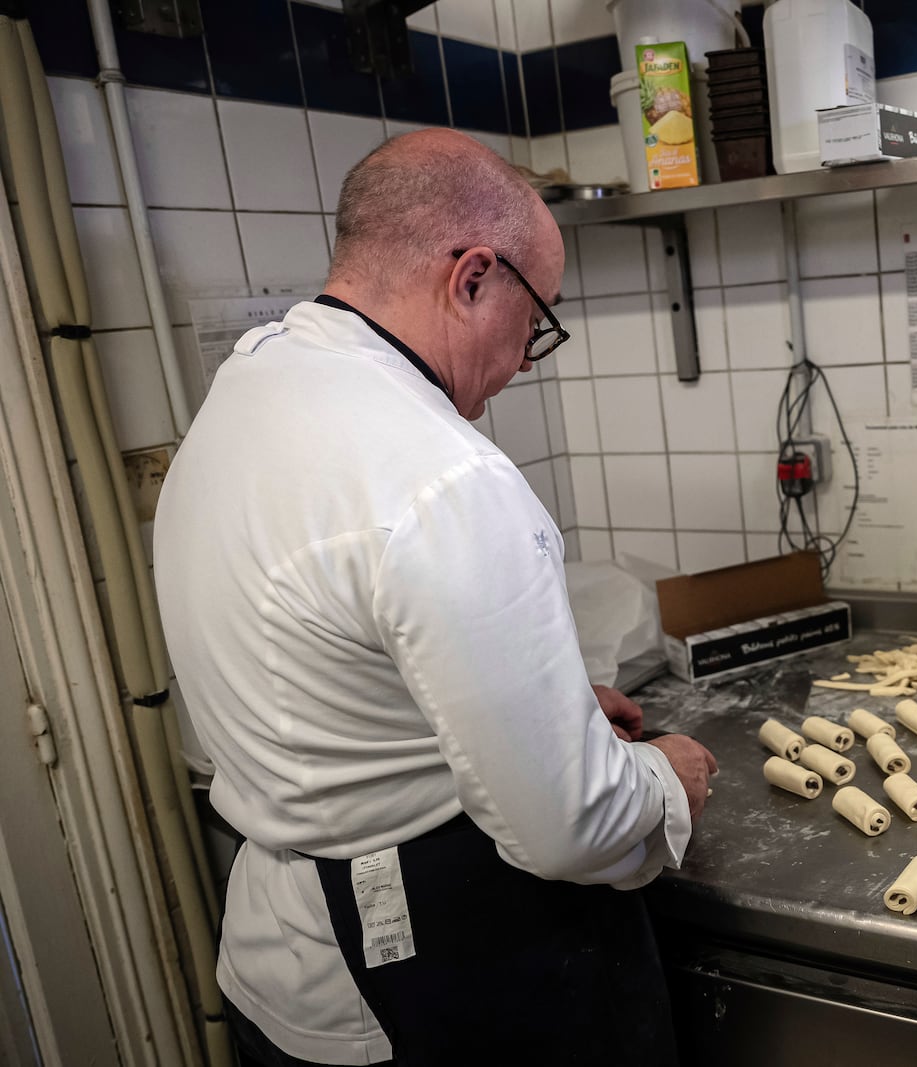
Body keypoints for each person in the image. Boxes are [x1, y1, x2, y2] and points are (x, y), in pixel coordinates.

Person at [153, 128, 717, 1066]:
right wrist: (668, 781)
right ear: (472, 278)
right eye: (536, 318)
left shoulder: (246, 394)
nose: (528, 358)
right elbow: (571, 828)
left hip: (279, 965)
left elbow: (336, 666)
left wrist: (543, 711)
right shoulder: (445, 479)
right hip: (422, 972)